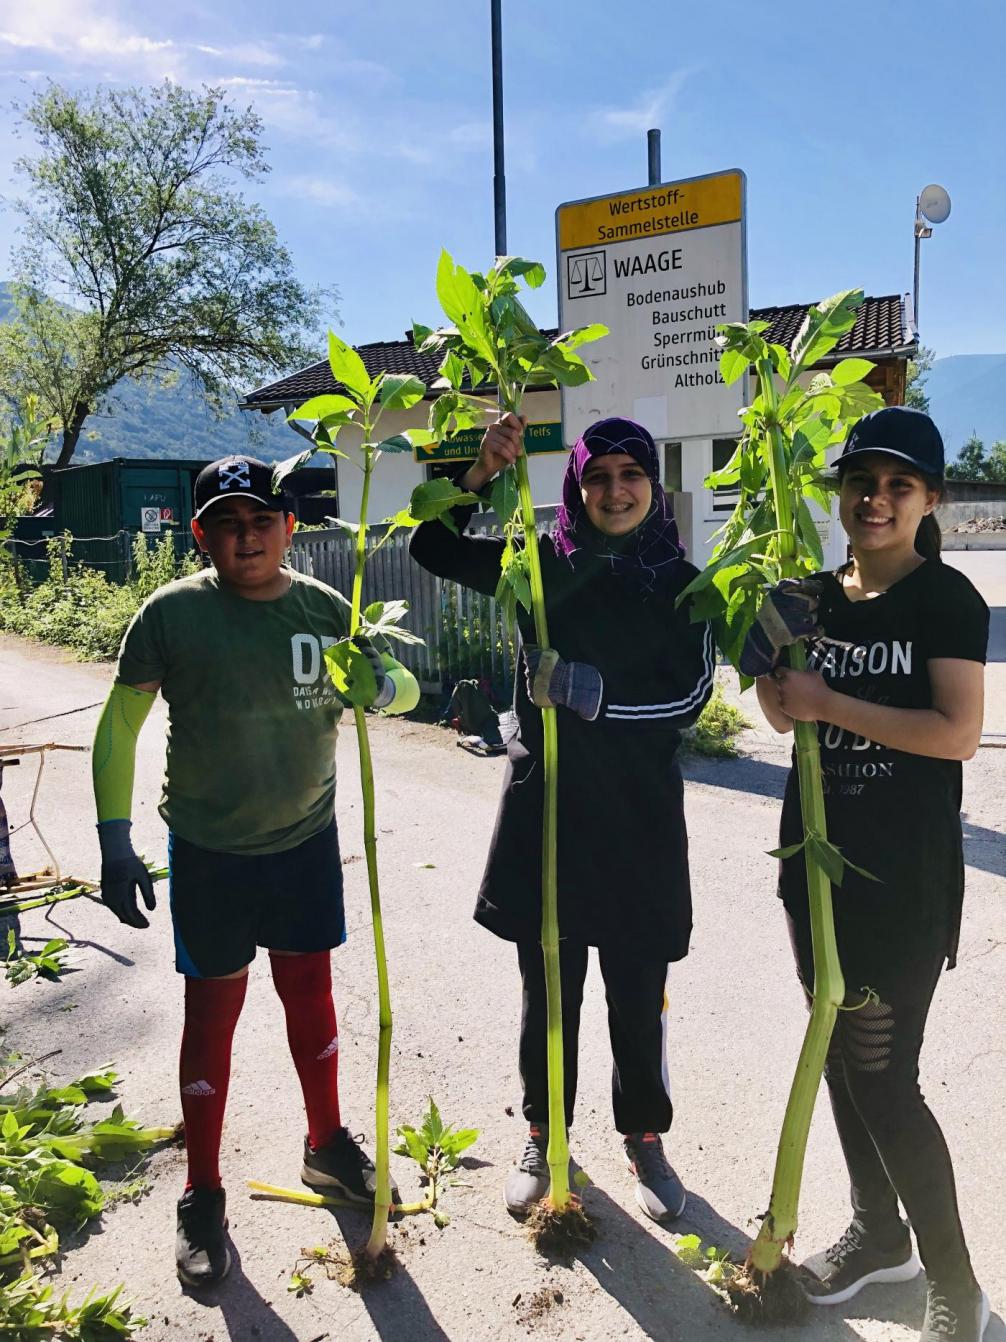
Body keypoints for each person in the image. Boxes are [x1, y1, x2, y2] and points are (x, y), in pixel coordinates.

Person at [91, 455, 419, 1287]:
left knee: (311, 996)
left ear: (290, 529)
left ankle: (326, 1147)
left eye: (261, 521)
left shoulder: (324, 610)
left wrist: (382, 684)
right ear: (199, 534)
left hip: (305, 845)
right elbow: (119, 725)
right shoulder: (171, 616)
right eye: (228, 523)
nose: (246, 537)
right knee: (214, 1015)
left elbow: (407, 691)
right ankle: (202, 1191)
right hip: (210, 854)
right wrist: (114, 838)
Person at [410, 415, 714, 1223]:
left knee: (637, 988)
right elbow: (432, 551)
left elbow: (691, 696)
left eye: (630, 474)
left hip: (639, 816)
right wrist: (478, 471)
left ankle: (644, 1133)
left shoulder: (682, 581)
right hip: (548, 807)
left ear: (652, 485)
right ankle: (545, 1134)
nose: (614, 490)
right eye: (597, 476)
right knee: (548, 989)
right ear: (575, 486)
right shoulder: (535, 564)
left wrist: (594, 698)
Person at [745, 408, 990, 1342]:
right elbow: (777, 716)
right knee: (840, 1060)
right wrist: (782, 689)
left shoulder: (947, 601)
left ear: (931, 500)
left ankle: (954, 1282)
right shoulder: (805, 594)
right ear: (838, 493)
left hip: (903, 880)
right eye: (862, 481)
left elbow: (957, 733)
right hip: (815, 870)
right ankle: (878, 1235)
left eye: (899, 485)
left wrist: (826, 698)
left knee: (887, 1079)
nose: (875, 499)